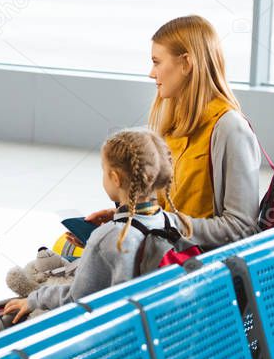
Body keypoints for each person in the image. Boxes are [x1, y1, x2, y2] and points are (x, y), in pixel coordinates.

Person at [86, 15, 262, 249]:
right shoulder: (171, 124)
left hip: (196, 269)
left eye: (157, 62)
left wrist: (162, 223)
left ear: (186, 64)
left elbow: (240, 228)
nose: (151, 73)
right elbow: (162, 209)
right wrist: (126, 218)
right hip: (162, 256)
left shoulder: (230, 128)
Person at [4, 128, 191, 322]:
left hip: (118, 334)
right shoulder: (172, 222)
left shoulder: (107, 236)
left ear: (115, 178)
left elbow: (77, 299)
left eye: (104, 170)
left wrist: (34, 299)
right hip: (157, 322)